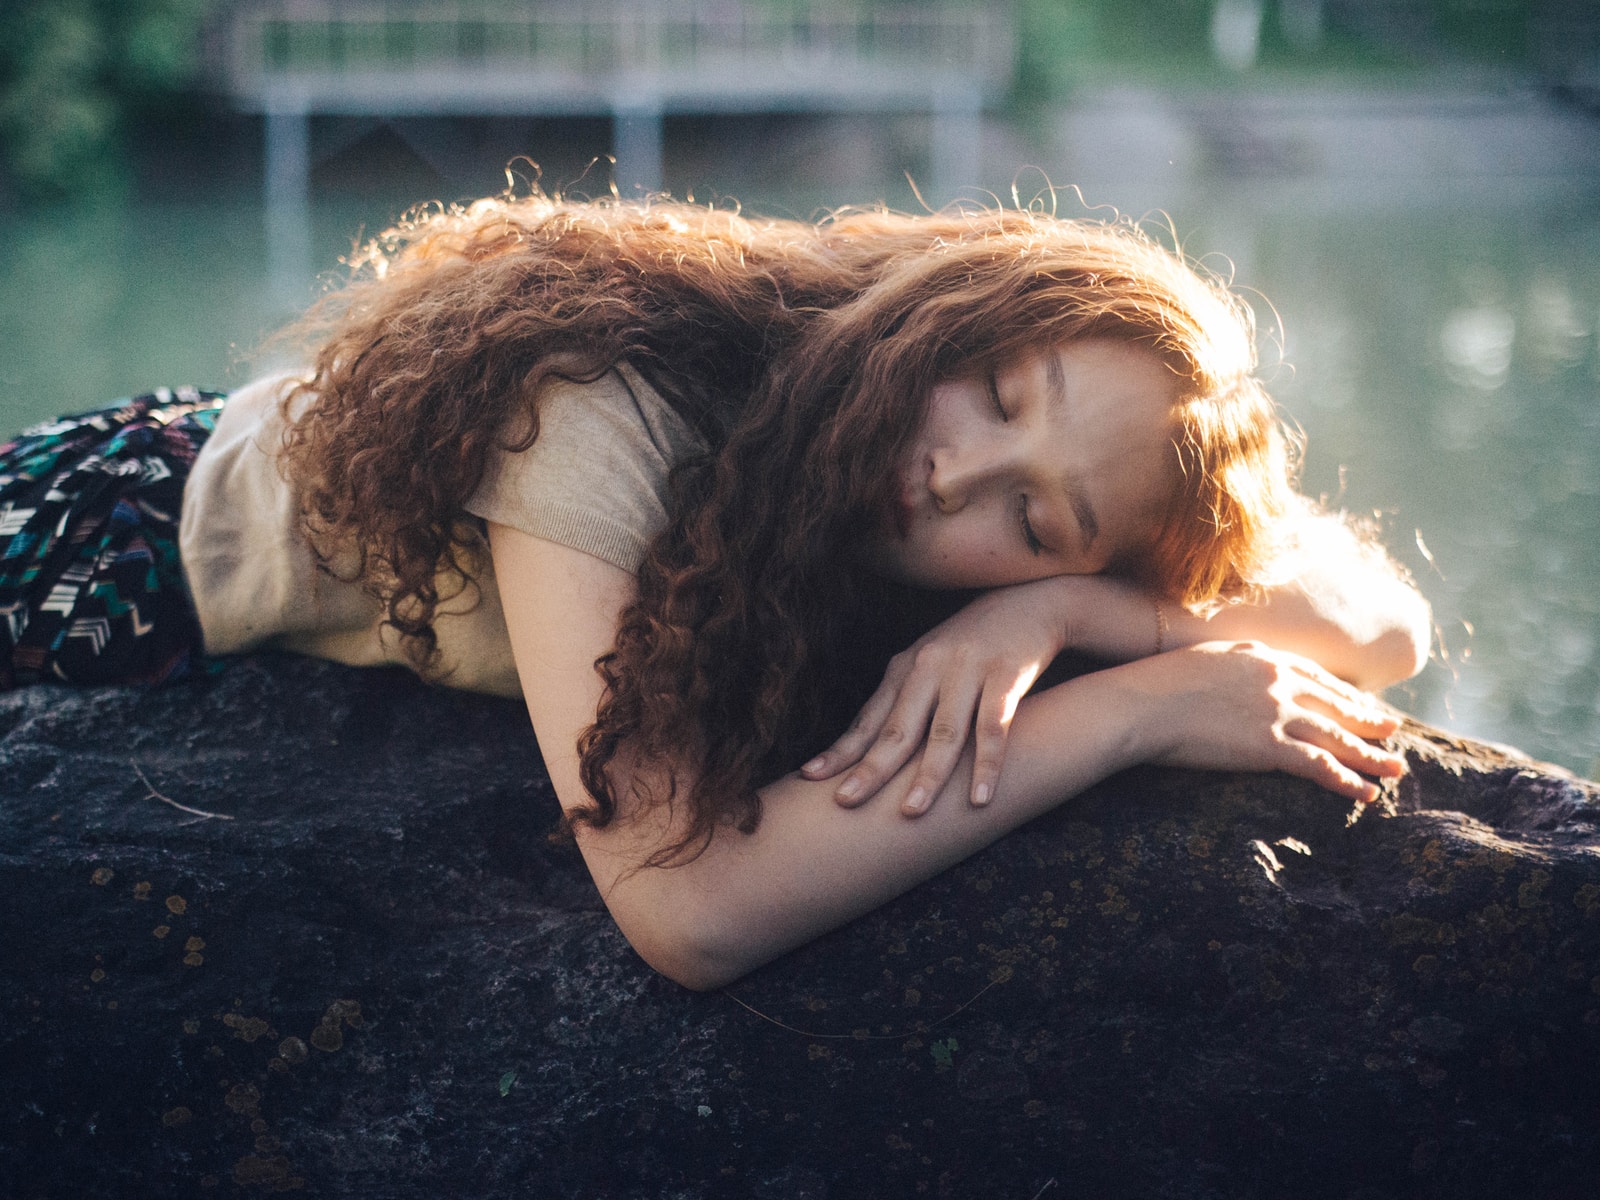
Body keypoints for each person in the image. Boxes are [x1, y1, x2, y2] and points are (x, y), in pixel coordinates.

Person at [0, 193, 1430, 990]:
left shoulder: (1040, 565)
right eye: (994, 392)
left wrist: (1068, 620)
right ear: (961, 305)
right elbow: (689, 910)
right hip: (109, 541)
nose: (957, 477)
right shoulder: (597, 398)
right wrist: (1135, 714)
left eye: (1035, 517)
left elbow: (1386, 619)